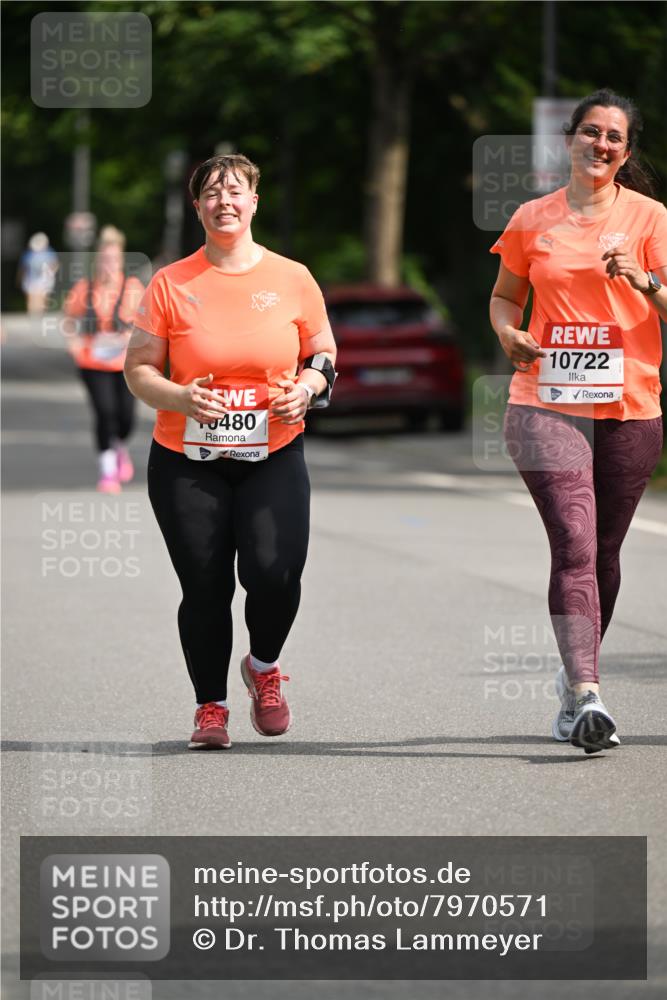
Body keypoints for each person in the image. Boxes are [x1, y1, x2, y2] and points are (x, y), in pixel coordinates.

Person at [124, 153, 337, 750]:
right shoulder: (171, 283)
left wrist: (309, 387)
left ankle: (263, 667)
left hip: (273, 450)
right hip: (186, 460)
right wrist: (179, 396)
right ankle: (209, 707)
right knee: (207, 587)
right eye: (212, 193)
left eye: (235, 190)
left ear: (253, 202)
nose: (224, 200)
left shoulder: (292, 277)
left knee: (275, 573)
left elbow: (322, 353)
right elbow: (137, 370)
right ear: (197, 208)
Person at [489, 89, 667, 754]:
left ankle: (572, 686)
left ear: (625, 152)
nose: (599, 145)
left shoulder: (651, 219)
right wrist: (509, 336)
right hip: (544, 400)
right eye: (589, 132)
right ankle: (589, 694)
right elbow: (505, 298)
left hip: (629, 405)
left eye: (613, 138)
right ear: (569, 139)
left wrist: (643, 282)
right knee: (574, 541)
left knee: (605, 555)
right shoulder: (533, 217)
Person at [64, 226, 144, 493]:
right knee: (105, 413)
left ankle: (118, 445)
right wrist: (74, 344)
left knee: (126, 418)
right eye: (105, 259)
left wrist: (130, 337)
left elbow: (147, 323)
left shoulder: (133, 287)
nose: (109, 265)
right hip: (92, 362)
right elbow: (69, 321)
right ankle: (107, 469)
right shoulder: (84, 288)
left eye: (114, 259)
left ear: (121, 260)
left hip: (124, 363)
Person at [18, 232, 59, 314]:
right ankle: (34, 315)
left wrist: (50, 274)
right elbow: (23, 268)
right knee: (33, 297)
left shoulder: (49, 253)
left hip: (43, 278)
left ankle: (39, 314)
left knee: (42, 297)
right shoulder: (29, 254)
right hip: (31, 278)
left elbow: (54, 265)